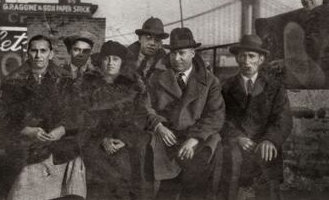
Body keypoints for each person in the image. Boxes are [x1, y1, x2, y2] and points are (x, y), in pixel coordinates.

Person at [0, 34, 86, 200]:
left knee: (74, 157)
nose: (38, 55)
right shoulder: (13, 81)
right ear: (28, 54)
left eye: (43, 51)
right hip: (26, 142)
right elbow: (4, 116)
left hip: (59, 141)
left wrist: (62, 129)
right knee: (29, 166)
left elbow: (76, 112)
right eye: (34, 51)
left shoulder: (65, 79)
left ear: (50, 54)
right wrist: (27, 130)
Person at [146, 27, 225, 200]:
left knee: (196, 176)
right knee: (166, 186)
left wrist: (194, 139)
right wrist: (158, 126)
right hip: (168, 136)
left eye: (182, 53)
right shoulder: (156, 78)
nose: (176, 58)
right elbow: (146, 107)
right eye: (173, 53)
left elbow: (215, 115)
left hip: (198, 137)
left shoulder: (210, 81)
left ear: (192, 53)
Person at [75, 40, 150, 200]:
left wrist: (124, 139)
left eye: (115, 59)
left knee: (126, 181)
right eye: (106, 58)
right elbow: (81, 117)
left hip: (126, 146)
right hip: (94, 145)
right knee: (99, 186)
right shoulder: (85, 84)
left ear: (122, 62)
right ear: (100, 60)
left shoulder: (135, 85)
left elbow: (140, 117)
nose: (110, 63)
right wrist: (102, 139)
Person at [220, 34, 293, 200]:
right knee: (229, 170)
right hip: (235, 144)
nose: (246, 62)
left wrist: (270, 139)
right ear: (237, 58)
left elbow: (283, 118)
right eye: (242, 56)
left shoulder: (274, 87)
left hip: (263, 143)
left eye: (251, 56)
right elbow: (219, 117)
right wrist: (237, 137)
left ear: (261, 59)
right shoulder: (225, 86)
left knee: (268, 166)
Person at [127, 17, 169, 83]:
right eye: (148, 38)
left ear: (160, 44)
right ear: (140, 39)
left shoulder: (166, 65)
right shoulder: (123, 59)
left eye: (157, 40)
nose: (152, 43)